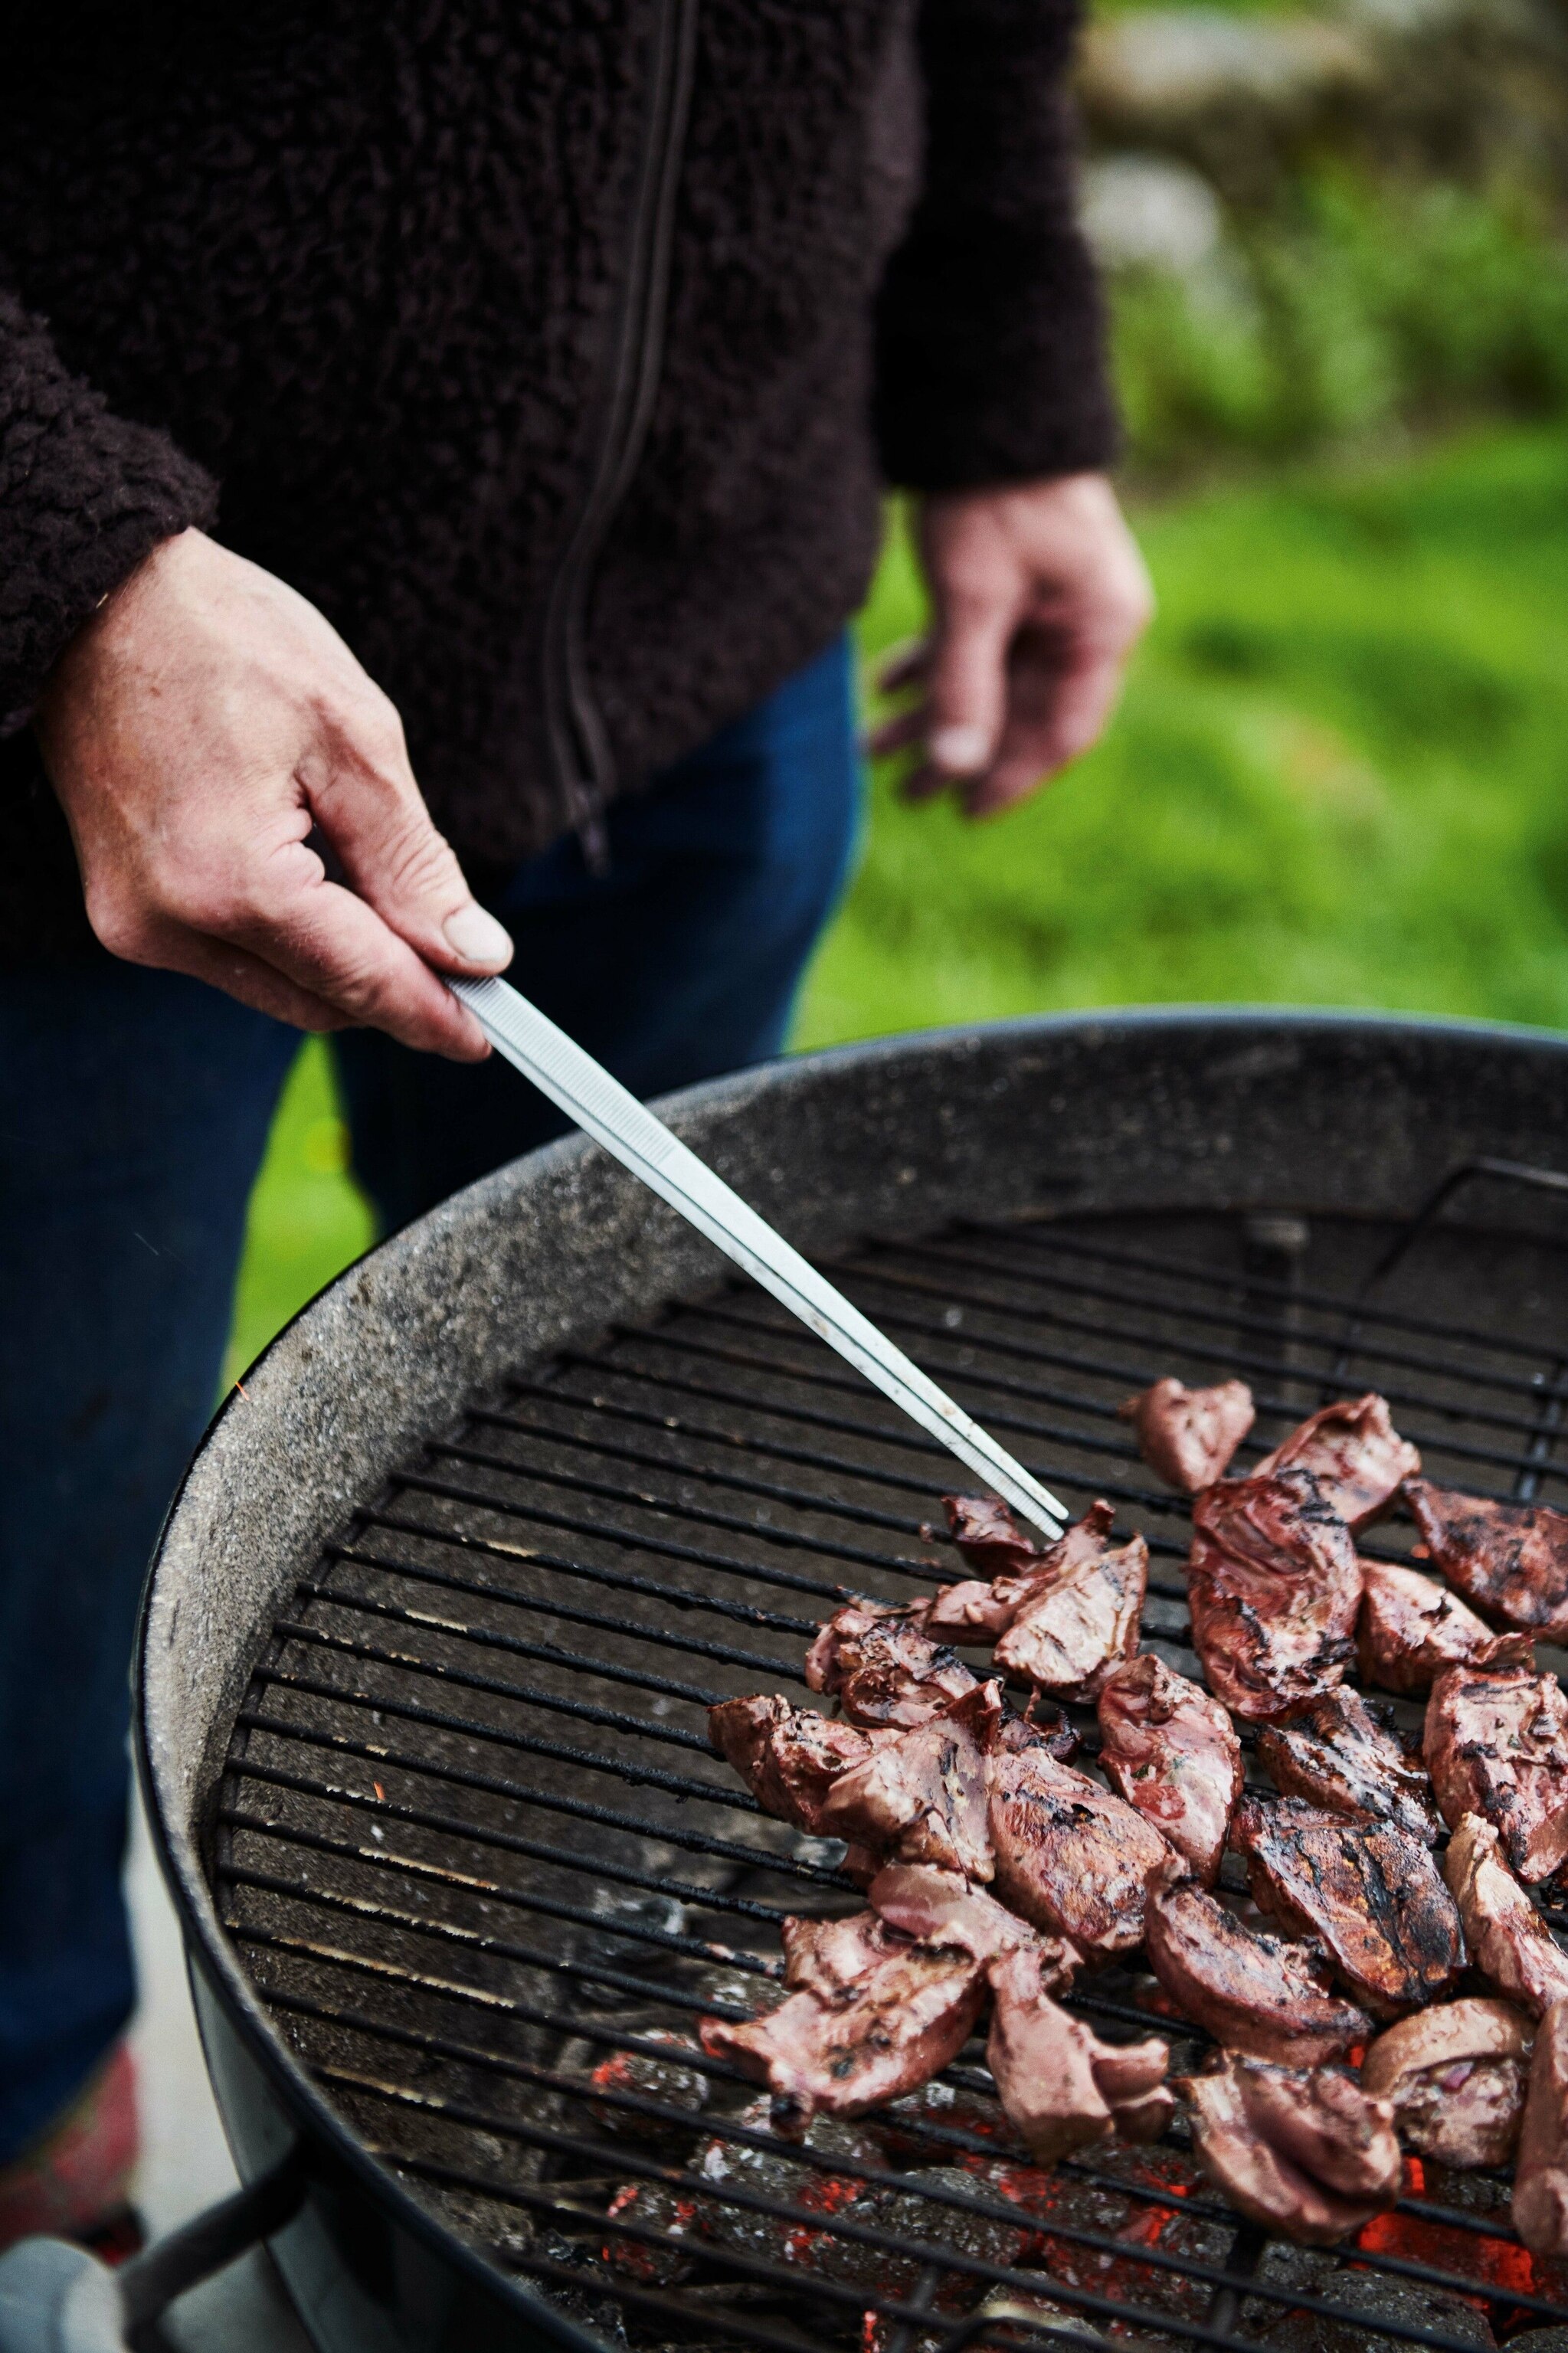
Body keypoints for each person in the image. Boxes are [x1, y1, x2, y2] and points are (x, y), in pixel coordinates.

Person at [0, 0, 1151, 2247]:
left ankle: (567, 2030)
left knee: (632, 1475)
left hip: (717, 622)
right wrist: (52, 566)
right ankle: (29, 2111)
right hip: (85, 701)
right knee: (24, 1491)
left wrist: (1005, 365)